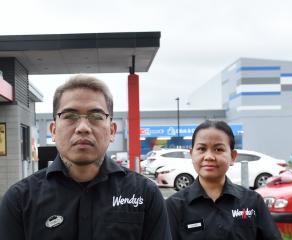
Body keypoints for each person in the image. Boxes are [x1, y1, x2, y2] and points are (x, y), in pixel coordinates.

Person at [0, 75, 171, 240]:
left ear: (111, 131)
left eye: (96, 116)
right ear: (53, 130)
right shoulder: (19, 200)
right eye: (70, 116)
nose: (83, 128)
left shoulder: (146, 194)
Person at [166, 120, 282, 240]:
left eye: (218, 149)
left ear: (232, 157)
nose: (209, 156)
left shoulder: (252, 202)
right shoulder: (174, 206)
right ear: (192, 154)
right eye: (201, 149)